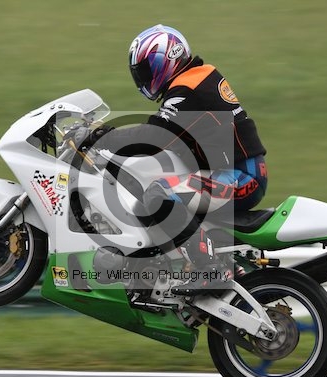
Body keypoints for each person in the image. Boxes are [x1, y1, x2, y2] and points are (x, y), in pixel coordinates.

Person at [83, 24, 267, 295]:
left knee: (160, 194)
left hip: (242, 178)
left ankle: (211, 268)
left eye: (147, 70)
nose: (144, 78)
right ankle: (217, 265)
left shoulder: (189, 86)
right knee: (151, 193)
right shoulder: (193, 80)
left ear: (166, 59)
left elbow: (156, 134)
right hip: (232, 173)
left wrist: (103, 137)